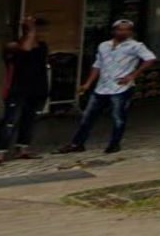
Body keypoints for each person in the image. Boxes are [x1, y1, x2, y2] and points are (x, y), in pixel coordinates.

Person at [60, 20, 155, 155]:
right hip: (102, 86)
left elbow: (150, 59)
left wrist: (133, 75)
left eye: (127, 30)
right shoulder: (104, 45)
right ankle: (77, 143)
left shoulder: (136, 46)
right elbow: (97, 65)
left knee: (118, 117)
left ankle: (114, 144)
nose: (124, 32)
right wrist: (87, 84)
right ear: (114, 31)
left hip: (121, 87)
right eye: (120, 29)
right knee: (88, 116)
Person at [0, 15, 52, 166]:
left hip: (37, 89)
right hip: (17, 89)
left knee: (29, 120)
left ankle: (22, 148)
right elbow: (25, 48)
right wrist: (30, 30)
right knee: (10, 121)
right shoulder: (12, 46)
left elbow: (37, 56)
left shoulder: (43, 46)